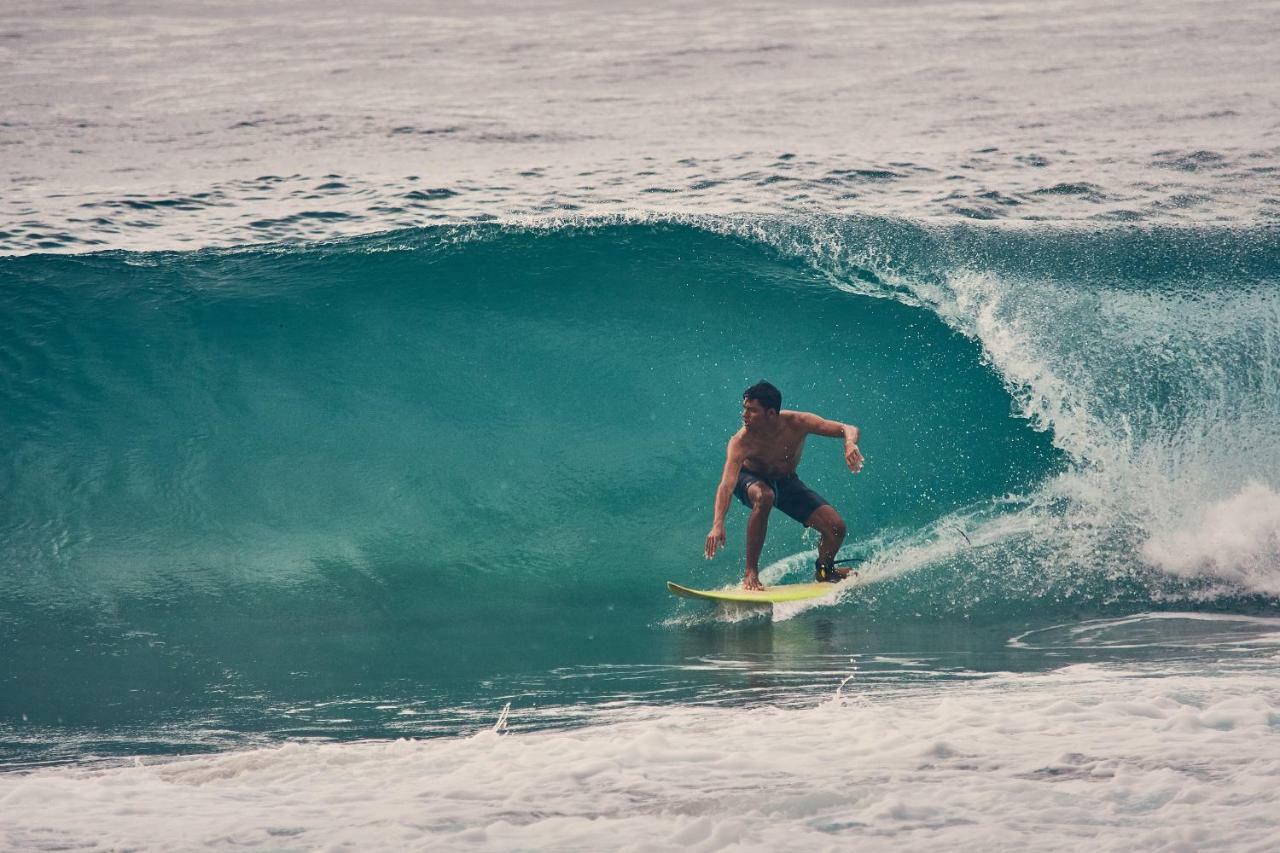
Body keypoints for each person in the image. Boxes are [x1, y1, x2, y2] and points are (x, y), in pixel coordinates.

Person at [704, 380, 864, 590]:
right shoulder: (741, 441)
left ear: (771, 413)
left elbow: (847, 428)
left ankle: (825, 570)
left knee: (836, 528)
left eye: (752, 410)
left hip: (785, 481)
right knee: (764, 496)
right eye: (744, 408)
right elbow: (726, 484)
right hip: (748, 479)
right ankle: (750, 572)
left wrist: (850, 443)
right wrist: (717, 524)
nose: (744, 415)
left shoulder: (798, 422)